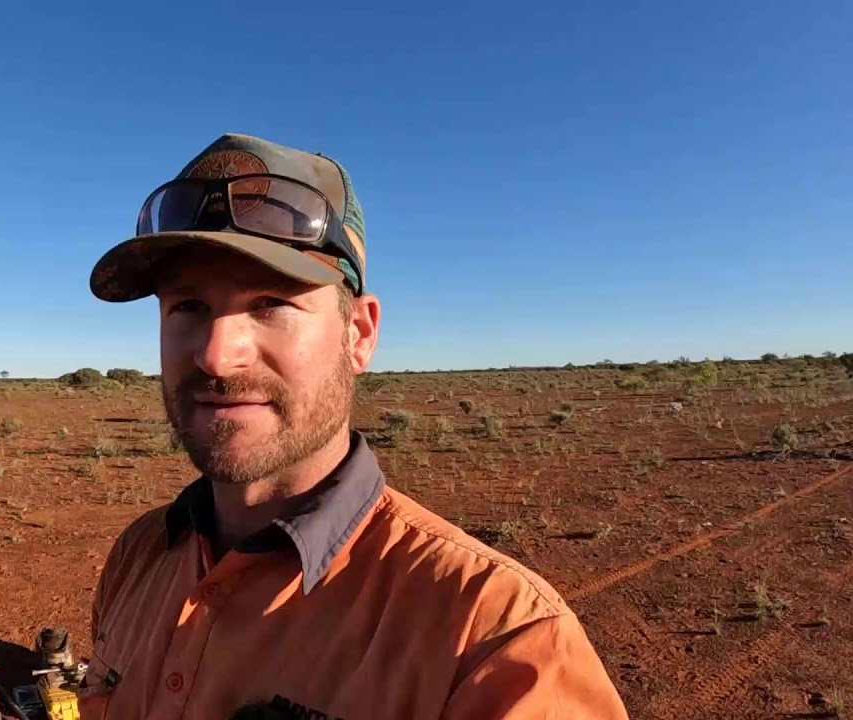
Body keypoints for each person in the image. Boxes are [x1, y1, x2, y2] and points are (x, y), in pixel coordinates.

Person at [82, 132, 629, 719]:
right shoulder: (139, 556)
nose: (217, 355)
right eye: (187, 306)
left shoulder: (497, 639)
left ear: (359, 335)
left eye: (271, 303)